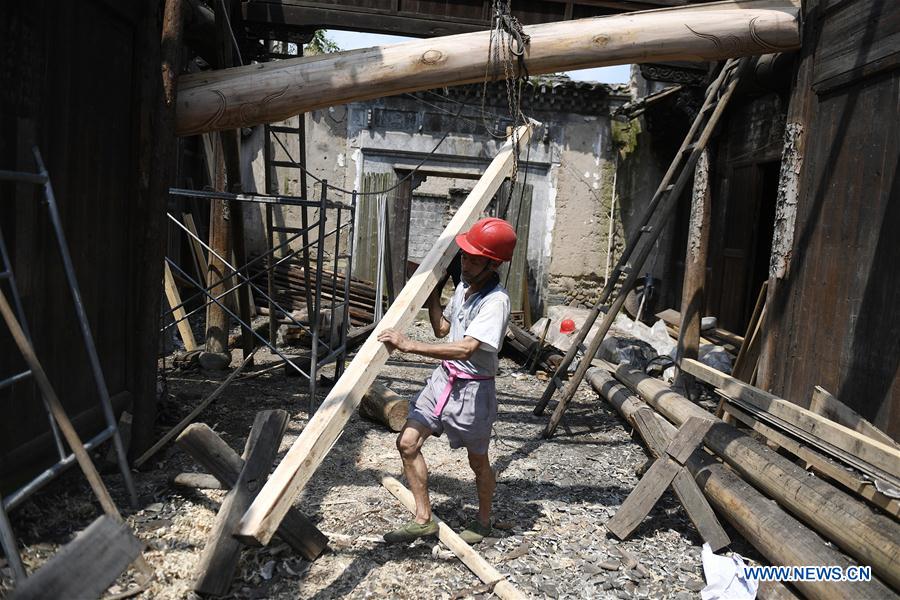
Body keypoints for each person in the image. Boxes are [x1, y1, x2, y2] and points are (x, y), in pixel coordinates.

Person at [377, 217, 517, 545]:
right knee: (407, 443)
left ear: (493, 263)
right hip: (443, 381)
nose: (465, 263)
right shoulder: (465, 289)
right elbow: (443, 329)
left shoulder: (496, 302)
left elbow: (467, 348)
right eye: (464, 257)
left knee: (477, 461)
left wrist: (409, 344)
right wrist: (433, 294)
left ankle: (483, 521)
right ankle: (423, 518)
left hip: (473, 390)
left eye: (473, 259)